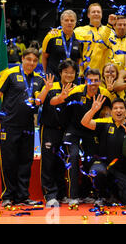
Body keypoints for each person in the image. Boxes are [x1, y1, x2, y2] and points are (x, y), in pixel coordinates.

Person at [0, 48, 45, 207]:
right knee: (9, 161)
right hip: (9, 125)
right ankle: (8, 196)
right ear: (22, 59)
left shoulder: (39, 79)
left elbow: (40, 101)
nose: (31, 63)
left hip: (28, 126)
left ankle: (23, 196)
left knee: (26, 161)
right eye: (28, 59)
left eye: (34, 61)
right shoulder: (9, 74)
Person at [50, 68, 115, 206]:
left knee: (90, 161)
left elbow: (117, 108)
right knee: (73, 157)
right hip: (73, 130)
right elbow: (53, 102)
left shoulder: (105, 93)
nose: (93, 83)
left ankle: (87, 194)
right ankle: (73, 196)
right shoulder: (77, 90)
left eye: (96, 80)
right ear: (85, 81)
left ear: (100, 81)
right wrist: (61, 96)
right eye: (90, 80)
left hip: (91, 131)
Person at [81, 96, 126, 206]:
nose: (118, 110)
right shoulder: (105, 122)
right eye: (115, 108)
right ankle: (103, 196)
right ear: (111, 111)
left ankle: (115, 194)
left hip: (122, 167)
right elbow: (84, 122)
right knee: (98, 172)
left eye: (121, 108)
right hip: (104, 163)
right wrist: (93, 110)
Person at [36, 59, 78, 207]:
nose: (69, 74)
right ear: (60, 73)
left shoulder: (77, 89)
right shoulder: (50, 86)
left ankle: (61, 194)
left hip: (66, 131)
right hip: (49, 129)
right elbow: (47, 101)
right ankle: (50, 195)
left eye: (72, 72)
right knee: (48, 162)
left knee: (62, 163)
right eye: (66, 71)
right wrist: (60, 97)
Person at [73, 3, 116, 78]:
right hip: (86, 76)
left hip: (105, 76)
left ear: (102, 15)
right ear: (88, 15)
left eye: (98, 12)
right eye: (93, 12)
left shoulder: (111, 32)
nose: (96, 14)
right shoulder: (78, 31)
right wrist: (55, 31)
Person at [41, 10, 83, 81]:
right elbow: (44, 56)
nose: (69, 23)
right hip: (53, 78)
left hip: (71, 79)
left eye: (72, 20)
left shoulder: (80, 40)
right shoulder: (51, 36)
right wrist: (46, 73)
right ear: (61, 22)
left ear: (75, 23)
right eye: (66, 20)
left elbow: (79, 60)